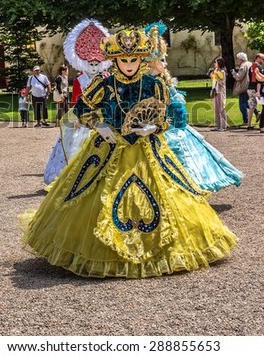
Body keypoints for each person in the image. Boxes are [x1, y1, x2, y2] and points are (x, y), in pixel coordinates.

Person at [20, 29, 237, 279]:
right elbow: (81, 109)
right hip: (109, 148)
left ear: (142, 59)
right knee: (89, 191)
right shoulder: (104, 84)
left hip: (148, 149)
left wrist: (154, 127)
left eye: (134, 60)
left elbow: (169, 117)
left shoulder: (154, 85)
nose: (129, 65)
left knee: (169, 190)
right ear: (114, 61)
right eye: (124, 60)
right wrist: (99, 126)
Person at [144, 23, 243, 192]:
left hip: (170, 127)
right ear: (151, 62)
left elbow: (176, 108)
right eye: (162, 60)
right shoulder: (146, 84)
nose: (165, 64)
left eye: (165, 59)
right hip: (154, 129)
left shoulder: (163, 82)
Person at [43, 19, 112, 185]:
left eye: (96, 63)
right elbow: (76, 101)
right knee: (76, 145)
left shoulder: (107, 78)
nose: (94, 67)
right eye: (90, 63)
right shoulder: (80, 80)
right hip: (82, 118)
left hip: (103, 118)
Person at [231, 52, 259, 126]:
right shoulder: (250, 63)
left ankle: (246, 121)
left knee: (242, 105)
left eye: (237, 59)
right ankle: (257, 112)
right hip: (251, 86)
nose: (237, 60)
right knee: (248, 103)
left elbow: (239, 77)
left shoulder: (243, 66)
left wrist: (234, 73)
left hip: (243, 87)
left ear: (241, 59)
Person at [246, 53, 264, 130]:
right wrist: (258, 91)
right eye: (262, 59)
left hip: (250, 88)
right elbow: (258, 80)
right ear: (258, 58)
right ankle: (261, 125)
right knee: (257, 107)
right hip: (255, 88)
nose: (263, 60)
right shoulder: (258, 66)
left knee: (252, 106)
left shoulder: (251, 66)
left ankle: (249, 124)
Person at [210, 57, 227, 131]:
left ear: (219, 63)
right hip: (214, 91)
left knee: (221, 108)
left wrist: (216, 76)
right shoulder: (215, 70)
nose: (214, 63)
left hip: (220, 91)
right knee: (216, 109)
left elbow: (222, 83)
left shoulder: (222, 72)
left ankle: (223, 126)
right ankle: (218, 125)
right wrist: (212, 76)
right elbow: (214, 81)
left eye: (215, 62)